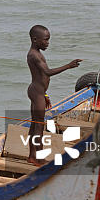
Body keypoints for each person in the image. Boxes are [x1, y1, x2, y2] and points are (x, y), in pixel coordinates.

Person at [26, 25, 82, 165]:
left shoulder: (37, 53)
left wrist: (45, 95)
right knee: (39, 126)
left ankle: (32, 156)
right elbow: (47, 73)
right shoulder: (34, 55)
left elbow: (41, 77)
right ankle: (38, 158)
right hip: (36, 92)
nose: (47, 43)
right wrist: (68, 66)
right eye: (45, 40)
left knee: (34, 125)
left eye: (48, 40)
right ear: (35, 39)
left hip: (39, 92)